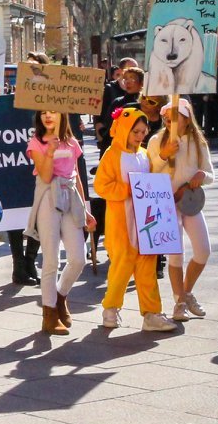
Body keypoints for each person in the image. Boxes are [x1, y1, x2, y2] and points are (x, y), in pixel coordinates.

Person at [93, 108, 178, 333]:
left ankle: (151, 313)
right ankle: (111, 308)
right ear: (124, 130)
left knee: (147, 267)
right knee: (121, 266)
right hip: (122, 222)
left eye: (143, 131)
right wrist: (127, 189)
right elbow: (101, 185)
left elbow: (154, 179)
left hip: (146, 220)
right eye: (135, 132)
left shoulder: (144, 154)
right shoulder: (112, 154)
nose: (140, 136)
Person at [27, 110, 92, 335]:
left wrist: (86, 209)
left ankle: (60, 295)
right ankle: (49, 313)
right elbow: (45, 176)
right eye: (43, 113)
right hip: (48, 197)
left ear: (62, 115)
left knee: (79, 258)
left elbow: (76, 175)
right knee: (51, 259)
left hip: (71, 197)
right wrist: (50, 151)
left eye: (52, 112)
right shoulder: (36, 142)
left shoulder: (72, 142)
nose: (48, 116)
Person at [149, 98, 212, 322]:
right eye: (166, 118)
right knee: (175, 254)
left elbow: (210, 174)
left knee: (203, 251)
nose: (170, 121)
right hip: (166, 204)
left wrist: (202, 175)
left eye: (175, 117)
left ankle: (186, 292)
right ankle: (180, 302)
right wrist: (164, 154)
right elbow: (149, 171)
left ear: (187, 118)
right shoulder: (157, 140)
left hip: (191, 202)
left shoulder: (198, 142)